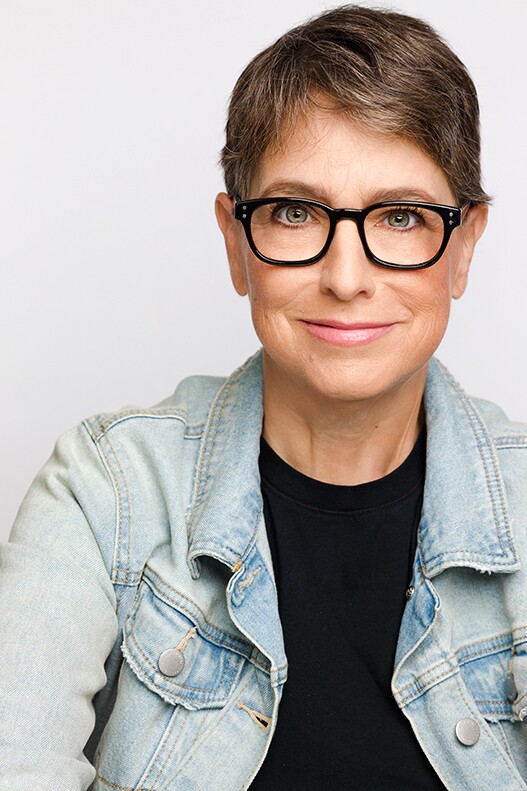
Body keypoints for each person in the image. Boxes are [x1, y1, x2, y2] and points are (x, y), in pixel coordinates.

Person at [1, 5, 526, 790]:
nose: (346, 278)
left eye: (402, 216)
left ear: (463, 247)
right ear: (235, 241)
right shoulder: (106, 487)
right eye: (294, 212)